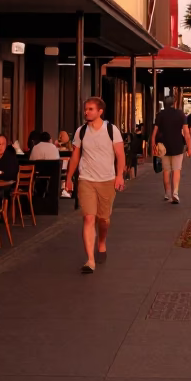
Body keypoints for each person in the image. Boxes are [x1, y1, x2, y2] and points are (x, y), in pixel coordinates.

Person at [63, 97, 125, 274]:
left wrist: (119, 176)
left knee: (103, 220)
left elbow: (120, 155)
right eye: (85, 109)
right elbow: (75, 156)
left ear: (100, 112)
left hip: (107, 180)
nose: (86, 112)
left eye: (90, 109)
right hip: (86, 179)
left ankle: (102, 242)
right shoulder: (81, 131)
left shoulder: (111, 130)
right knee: (89, 218)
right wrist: (69, 178)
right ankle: (90, 260)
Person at [151, 96, 191, 204]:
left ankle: (167, 193)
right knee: (176, 170)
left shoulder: (160, 115)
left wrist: (153, 145)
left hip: (163, 146)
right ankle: (175, 193)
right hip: (178, 145)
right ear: (175, 103)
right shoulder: (181, 114)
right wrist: (189, 148)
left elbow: (154, 132)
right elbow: (186, 133)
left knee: (166, 170)